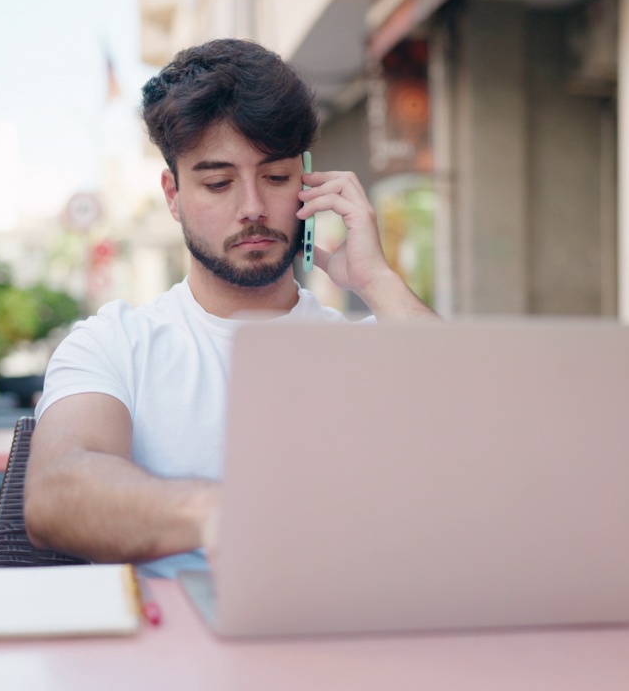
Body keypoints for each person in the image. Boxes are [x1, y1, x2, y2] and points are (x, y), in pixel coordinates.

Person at [23, 38, 437, 577]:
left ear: (308, 183)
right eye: (218, 183)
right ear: (173, 195)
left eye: (276, 177)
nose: (253, 208)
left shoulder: (364, 348)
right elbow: (55, 493)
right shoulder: (115, 344)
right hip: (172, 647)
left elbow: (486, 447)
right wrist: (220, 512)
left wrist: (377, 279)